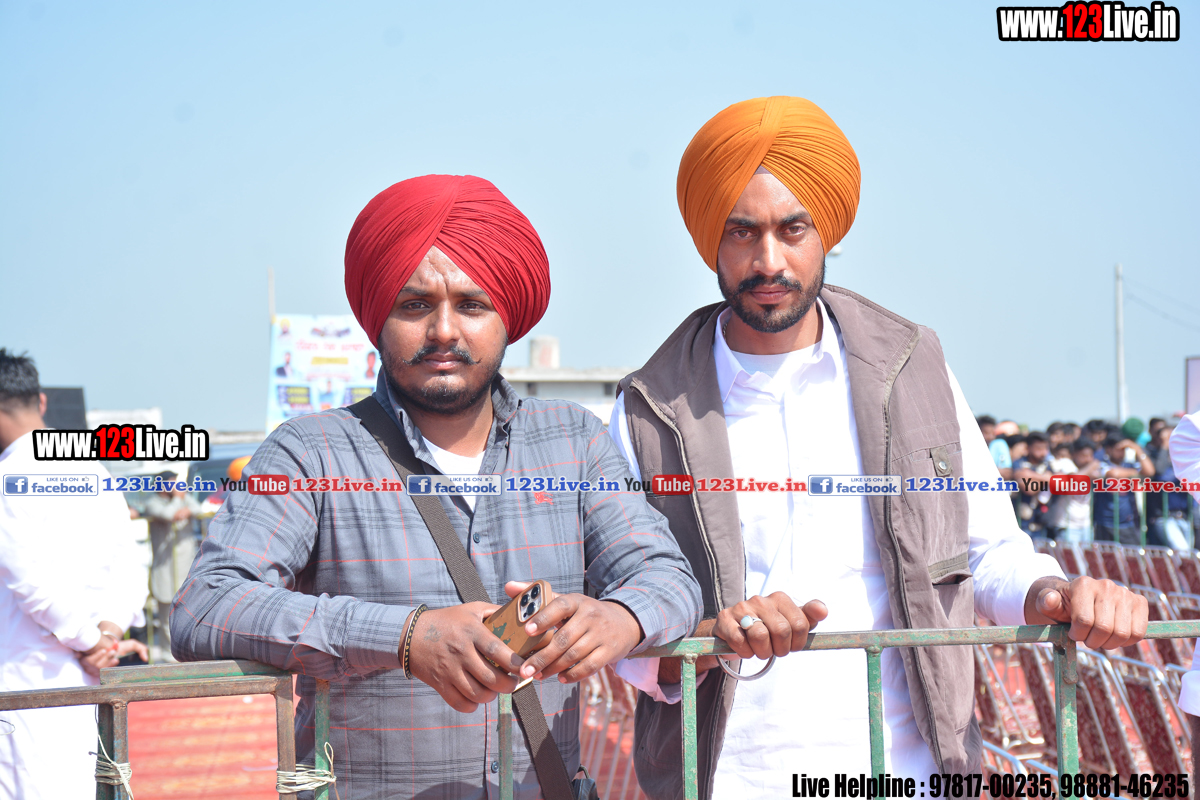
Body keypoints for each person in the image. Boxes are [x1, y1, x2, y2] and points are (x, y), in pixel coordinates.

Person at [607, 96, 1148, 796]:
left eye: (792, 229)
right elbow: (623, 619)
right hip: (726, 778)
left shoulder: (912, 368)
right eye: (741, 233)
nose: (768, 260)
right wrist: (713, 637)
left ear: (826, 232)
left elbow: (986, 553)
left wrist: (1054, 593)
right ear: (712, 238)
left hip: (908, 772)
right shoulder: (650, 407)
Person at [171, 174, 703, 799]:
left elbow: (667, 577)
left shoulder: (574, 441)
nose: (445, 331)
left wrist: (619, 617)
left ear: (507, 319)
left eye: (472, 305)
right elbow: (206, 605)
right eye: (415, 305)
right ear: (378, 318)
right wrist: (404, 637)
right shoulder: (310, 452)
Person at [0, 349, 148, 800]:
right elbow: (129, 569)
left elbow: (31, 585)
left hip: (28, 683)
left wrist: (89, 641)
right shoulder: (93, 470)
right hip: (91, 680)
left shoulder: (9, 478)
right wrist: (107, 635)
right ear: (41, 401)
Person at [141, 470, 201, 659]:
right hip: (165, 571)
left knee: (190, 613)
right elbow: (168, 515)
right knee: (167, 617)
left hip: (186, 569)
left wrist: (186, 508)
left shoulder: (184, 499)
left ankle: (190, 654)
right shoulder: (152, 503)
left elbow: (199, 509)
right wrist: (177, 501)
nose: (176, 487)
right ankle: (169, 656)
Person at [1092, 434, 1155, 545]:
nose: (1122, 453)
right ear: (1108, 449)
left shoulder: (1129, 465)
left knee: (1132, 554)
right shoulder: (1102, 463)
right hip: (1105, 522)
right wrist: (1135, 473)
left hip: (1127, 521)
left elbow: (1149, 471)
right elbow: (1113, 474)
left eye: (1124, 450)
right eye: (1118, 450)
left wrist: (1137, 449)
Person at [1012, 431, 1052, 536]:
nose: (1043, 452)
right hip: (1021, 523)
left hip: (1040, 523)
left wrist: (1030, 475)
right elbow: (1029, 488)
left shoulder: (1047, 465)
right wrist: (1044, 478)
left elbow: (1056, 481)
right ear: (1028, 448)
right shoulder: (1019, 463)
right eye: (1039, 448)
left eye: (1046, 448)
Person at [976, 415, 1012, 480]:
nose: (990, 437)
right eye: (986, 433)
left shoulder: (999, 444)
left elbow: (1007, 473)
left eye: (992, 433)